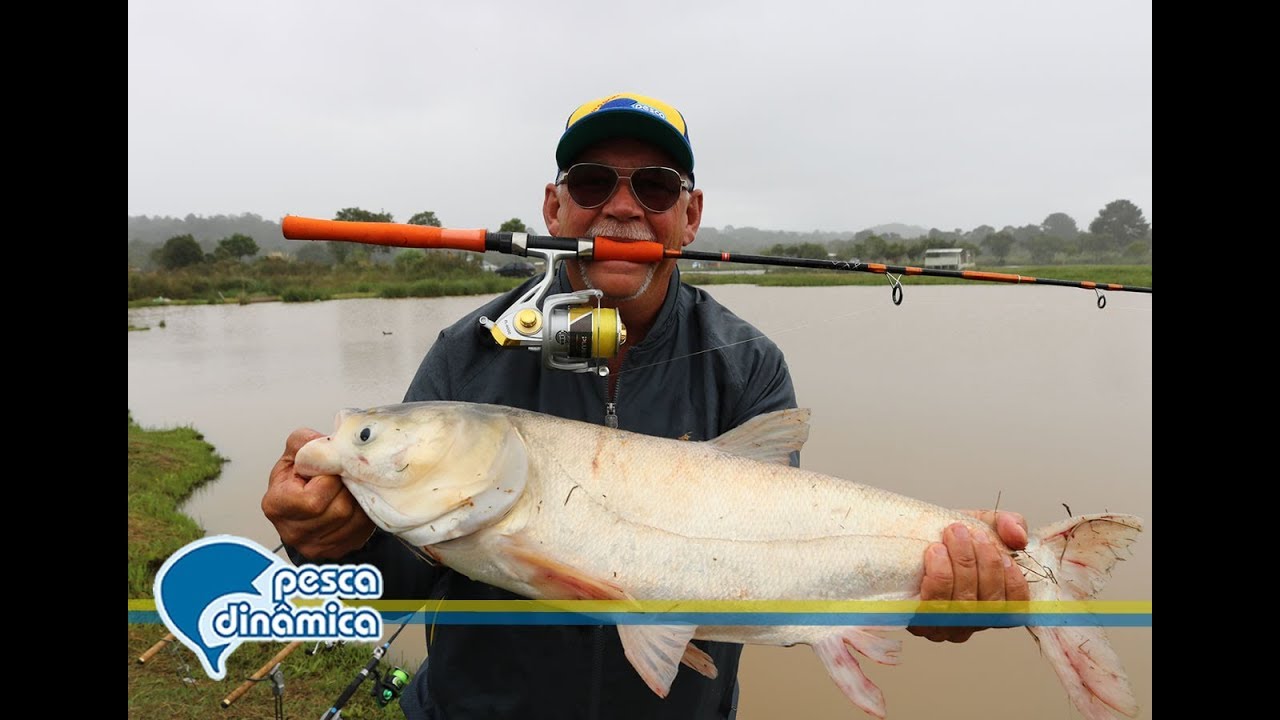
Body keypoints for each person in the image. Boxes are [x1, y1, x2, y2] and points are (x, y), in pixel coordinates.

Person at [262, 92, 1030, 720]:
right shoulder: (472, 352)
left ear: (690, 217)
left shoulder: (747, 362)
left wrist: (915, 593)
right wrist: (332, 540)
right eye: (592, 184)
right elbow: (401, 577)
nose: (622, 208)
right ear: (554, 208)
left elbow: (777, 565)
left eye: (655, 187)